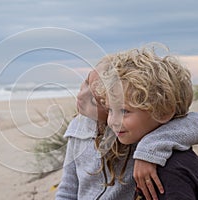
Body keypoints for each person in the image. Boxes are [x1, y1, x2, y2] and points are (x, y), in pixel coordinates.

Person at [55, 46, 198, 200]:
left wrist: (149, 149)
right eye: (86, 82)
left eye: (94, 98)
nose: (81, 95)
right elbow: (67, 190)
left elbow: (190, 121)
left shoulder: (138, 131)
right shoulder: (79, 127)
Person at [98, 46, 198, 199]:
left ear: (163, 111)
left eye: (124, 111)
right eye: (110, 110)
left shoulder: (169, 171)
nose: (113, 121)